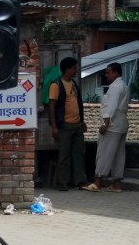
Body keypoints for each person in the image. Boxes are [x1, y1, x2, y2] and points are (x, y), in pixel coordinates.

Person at [83, 63, 130, 193]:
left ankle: (98, 181)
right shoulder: (124, 86)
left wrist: (105, 124)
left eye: (108, 73)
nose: (106, 75)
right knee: (118, 155)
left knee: (104, 153)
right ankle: (117, 183)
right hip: (121, 125)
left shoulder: (115, 87)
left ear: (115, 73)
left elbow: (111, 107)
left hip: (112, 125)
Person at [49, 57, 87, 191]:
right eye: (74, 68)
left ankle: (80, 181)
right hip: (64, 125)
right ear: (67, 69)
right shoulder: (56, 85)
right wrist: (54, 126)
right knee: (64, 155)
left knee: (79, 154)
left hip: (77, 124)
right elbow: (52, 107)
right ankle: (63, 182)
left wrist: (82, 121)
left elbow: (78, 104)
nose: (76, 70)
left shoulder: (74, 84)